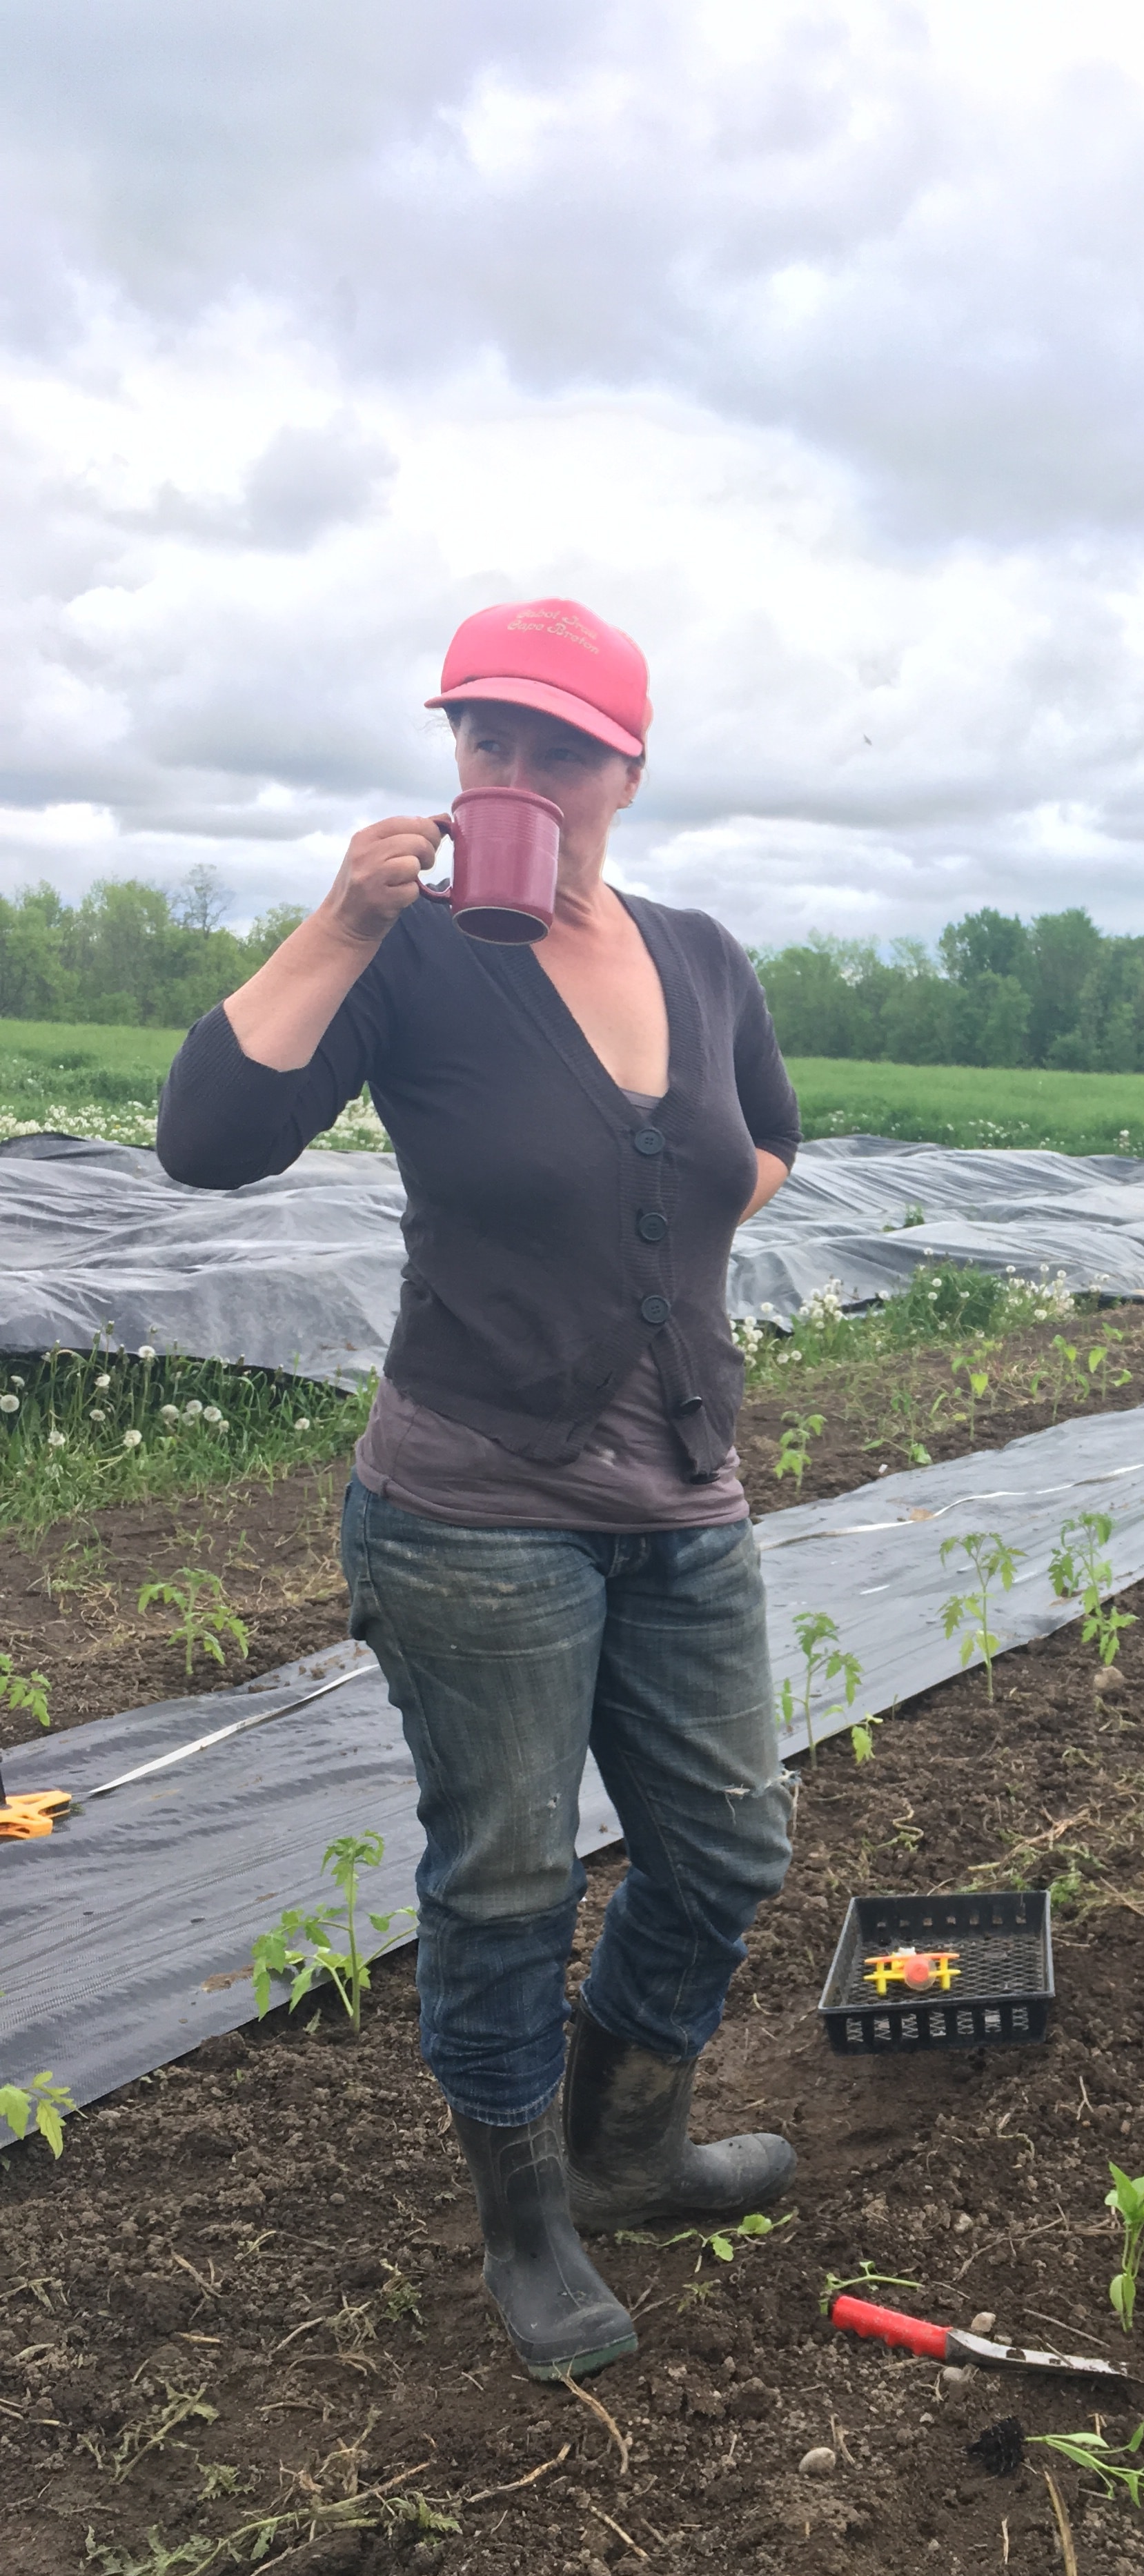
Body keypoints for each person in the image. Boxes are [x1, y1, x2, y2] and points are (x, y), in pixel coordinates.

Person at [159, 598, 800, 2380]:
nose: (514, 774)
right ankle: (526, 2222)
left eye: (557, 748)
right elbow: (207, 1140)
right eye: (482, 738)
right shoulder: (417, 959)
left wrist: (644, 1257)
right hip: (470, 1509)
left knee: (731, 1837)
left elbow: (764, 1140)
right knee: (510, 1872)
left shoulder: (700, 953)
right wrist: (344, 916)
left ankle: (626, 2143)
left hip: (679, 1489)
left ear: (628, 770)